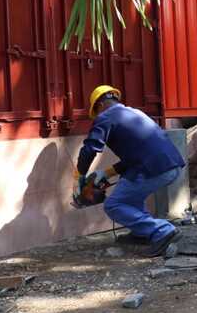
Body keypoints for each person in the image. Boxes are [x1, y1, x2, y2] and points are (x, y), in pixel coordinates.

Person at [74, 85, 185, 257]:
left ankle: (163, 231)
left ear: (99, 105)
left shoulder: (105, 117)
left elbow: (90, 149)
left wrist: (80, 175)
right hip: (170, 165)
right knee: (132, 199)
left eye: (96, 112)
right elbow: (138, 151)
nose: (97, 116)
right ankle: (142, 233)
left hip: (152, 168)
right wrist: (107, 172)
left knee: (114, 205)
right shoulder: (136, 113)